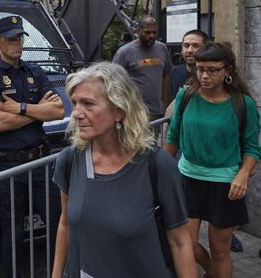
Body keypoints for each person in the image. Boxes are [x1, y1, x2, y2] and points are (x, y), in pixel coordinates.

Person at [52, 61, 197, 278]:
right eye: (75, 103)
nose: (76, 114)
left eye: (88, 104)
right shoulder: (70, 161)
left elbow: (180, 241)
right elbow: (65, 224)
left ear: (119, 111)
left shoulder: (157, 166)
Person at [0, 15, 64, 277]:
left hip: (39, 162)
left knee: (56, 222)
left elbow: (58, 111)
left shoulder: (35, 71)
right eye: (10, 38)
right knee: (11, 230)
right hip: (6, 165)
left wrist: (20, 107)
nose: (17, 43)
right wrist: (38, 110)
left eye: (19, 37)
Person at [165, 43, 260, 278]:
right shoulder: (185, 96)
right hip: (188, 178)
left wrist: (243, 173)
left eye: (212, 70)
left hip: (225, 183)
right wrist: (161, 171)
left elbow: (252, 148)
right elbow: (173, 136)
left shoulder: (242, 104)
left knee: (220, 251)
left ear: (227, 70)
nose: (204, 75)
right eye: (200, 69)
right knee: (186, 243)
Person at [112, 15, 172, 124]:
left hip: (156, 111)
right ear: (138, 31)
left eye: (154, 32)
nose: (152, 36)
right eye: (147, 32)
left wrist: (164, 103)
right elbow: (114, 82)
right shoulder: (124, 52)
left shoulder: (162, 48)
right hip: (134, 112)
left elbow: (165, 76)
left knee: (153, 141)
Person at [170, 29, 209, 99]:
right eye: (186, 46)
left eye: (196, 46)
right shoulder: (174, 73)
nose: (190, 50)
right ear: (181, 49)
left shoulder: (212, 75)